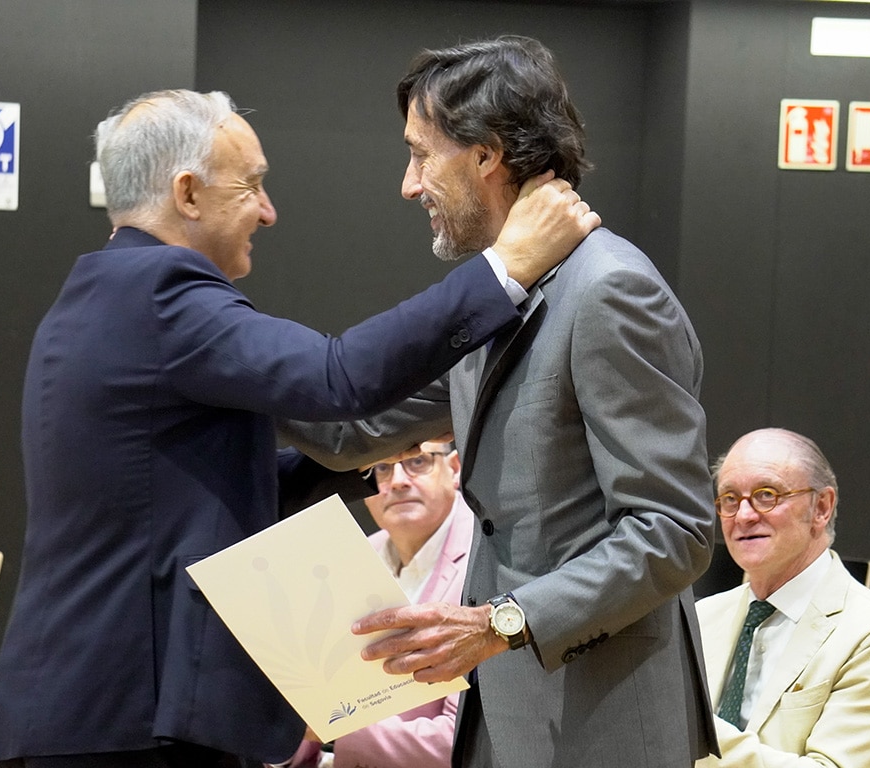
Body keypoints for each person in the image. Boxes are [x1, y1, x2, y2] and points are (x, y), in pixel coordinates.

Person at [0, 89, 599, 768]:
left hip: (83, 708)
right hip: (127, 719)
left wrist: (380, 457)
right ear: (187, 193)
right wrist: (505, 268)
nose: (270, 212)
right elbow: (339, 378)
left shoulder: (99, 295)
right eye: (253, 185)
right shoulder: (163, 292)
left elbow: (195, 495)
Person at [280, 36, 718, 767]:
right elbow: (353, 429)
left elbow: (673, 532)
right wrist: (204, 346)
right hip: (508, 718)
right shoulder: (503, 293)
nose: (408, 183)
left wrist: (501, 623)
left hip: (602, 730)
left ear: (486, 154)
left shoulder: (610, 290)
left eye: (422, 155)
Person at [694, 428, 870, 767]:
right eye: (730, 499)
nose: (743, 516)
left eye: (766, 494)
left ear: (821, 507)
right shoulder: (702, 617)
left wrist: (692, 729)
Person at [289, 441, 473, 768]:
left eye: (417, 461)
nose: (398, 480)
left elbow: (470, 738)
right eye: (382, 468)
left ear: (455, 468)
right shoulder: (350, 559)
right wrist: (286, 745)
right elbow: (318, 701)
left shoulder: (487, 560)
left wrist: (334, 729)